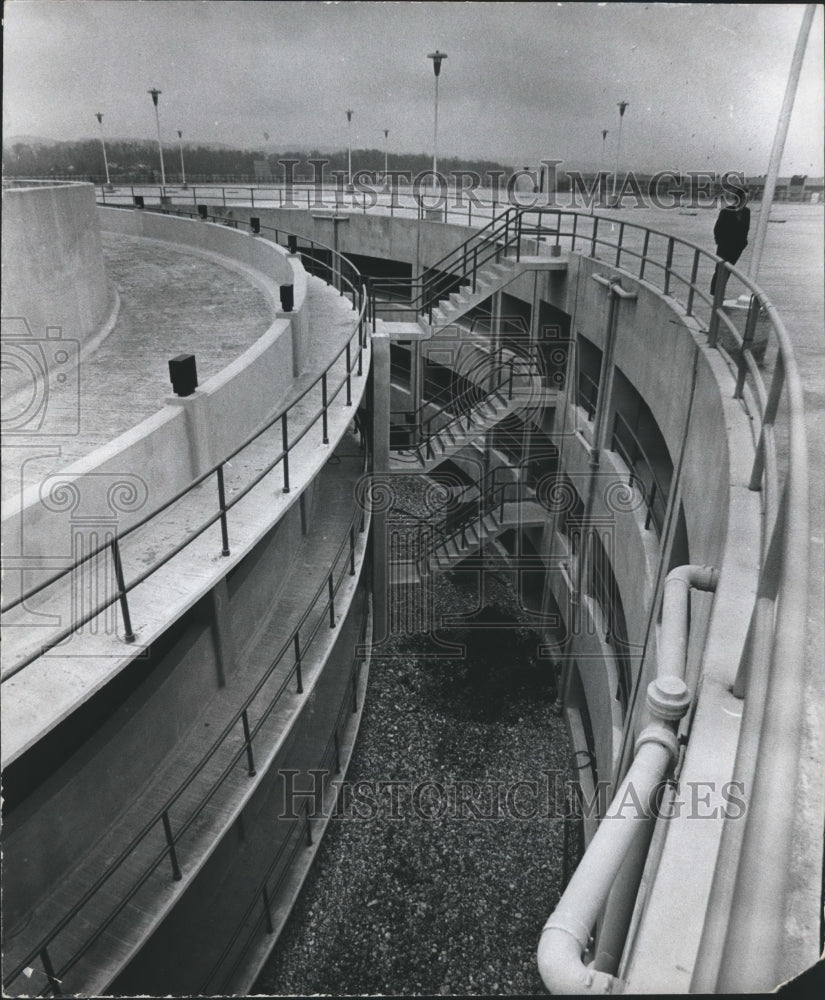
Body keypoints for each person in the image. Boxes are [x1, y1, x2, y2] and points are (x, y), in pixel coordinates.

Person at [710, 186, 750, 294]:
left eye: (748, 199)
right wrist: (720, 243)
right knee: (720, 270)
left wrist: (743, 243)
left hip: (737, 248)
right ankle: (715, 293)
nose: (746, 202)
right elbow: (717, 229)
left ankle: (721, 292)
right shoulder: (726, 211)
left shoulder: (747, 212)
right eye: (744, 199)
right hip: (724, 247)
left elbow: (746, 229)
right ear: (738, 198)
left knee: (728, 271)